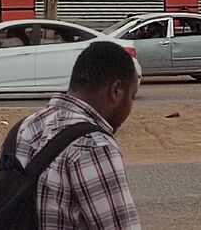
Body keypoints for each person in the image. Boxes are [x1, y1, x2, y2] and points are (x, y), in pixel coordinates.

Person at [10, 41, 141, 229]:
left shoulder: (24, 128)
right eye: (132, 97)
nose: (130, 106)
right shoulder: (94, 145)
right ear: (116, 90)